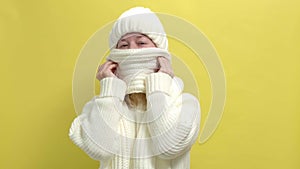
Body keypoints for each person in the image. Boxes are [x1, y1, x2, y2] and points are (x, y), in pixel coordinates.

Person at [69, 7, 201, 169]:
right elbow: (99, 150)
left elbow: (169, 147)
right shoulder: (100, 106)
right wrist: (110, 91)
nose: (132, 50)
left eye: (141, 43)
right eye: (124, 45)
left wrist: (159, 84)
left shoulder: (185, 104)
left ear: (159, 50)